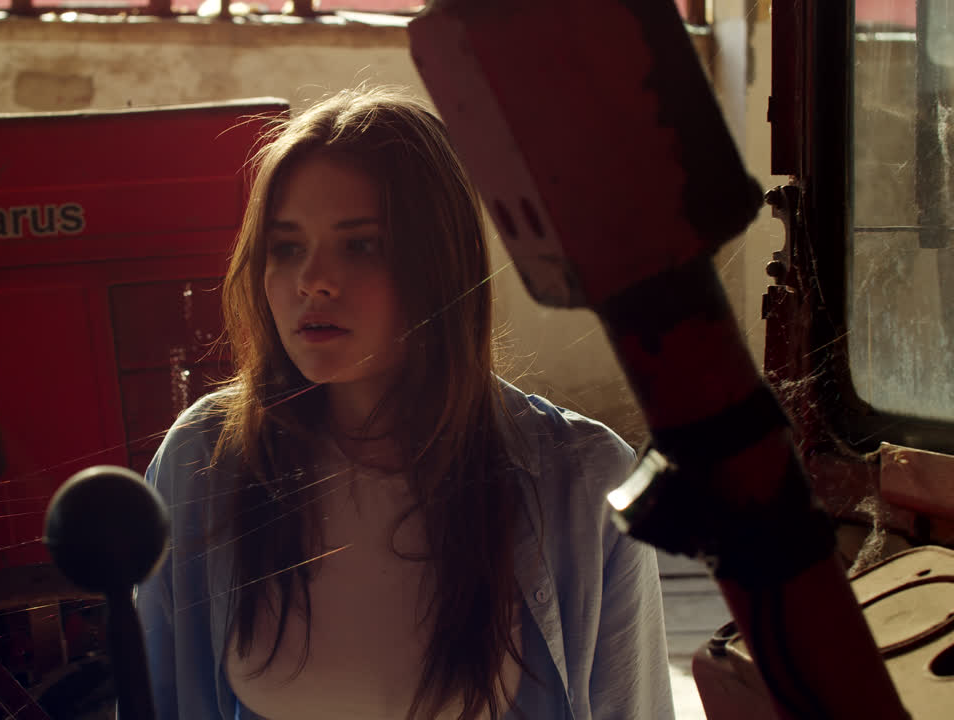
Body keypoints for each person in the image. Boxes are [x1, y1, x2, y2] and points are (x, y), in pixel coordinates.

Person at [136, 87, 674, 720]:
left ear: (439, 264)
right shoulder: (204, 462)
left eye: (360, 245)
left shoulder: (580, 480)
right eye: (286, 247)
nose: (313, 280)